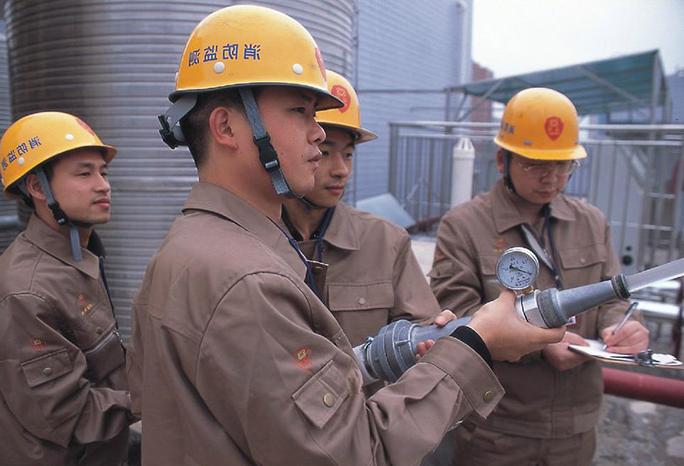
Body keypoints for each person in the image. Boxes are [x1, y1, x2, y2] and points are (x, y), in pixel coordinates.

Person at [128, 6, 565, 465]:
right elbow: (357, 453)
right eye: (300, 111)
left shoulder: (188, 247)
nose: (318, 133)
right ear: (226, 127)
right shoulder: (247, 281)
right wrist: (477, 344)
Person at [430, 87, 650, 466]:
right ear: (503, 160)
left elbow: (614, 294)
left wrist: (625, 326)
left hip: (577, 427)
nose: (551, 178)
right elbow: (457, 316)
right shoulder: (464, 225)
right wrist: (540, 344)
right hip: (498, 427)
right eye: (535, 165)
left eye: (563, 166)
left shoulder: (590, 221)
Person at [0, 112, 132, 465]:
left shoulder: (79, 257)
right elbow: (70, 414)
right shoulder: (24, 292)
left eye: (103, 172)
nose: (103, 185)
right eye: (84, 173)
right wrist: (158, 392)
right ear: (37, 187)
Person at [282, 70, 449, 380]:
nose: (341, 170)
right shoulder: (252, 241)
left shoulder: (385, 242)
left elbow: (424, 337)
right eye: (326, 152)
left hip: (364, 419)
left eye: (348, 154)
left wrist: (431, 338)